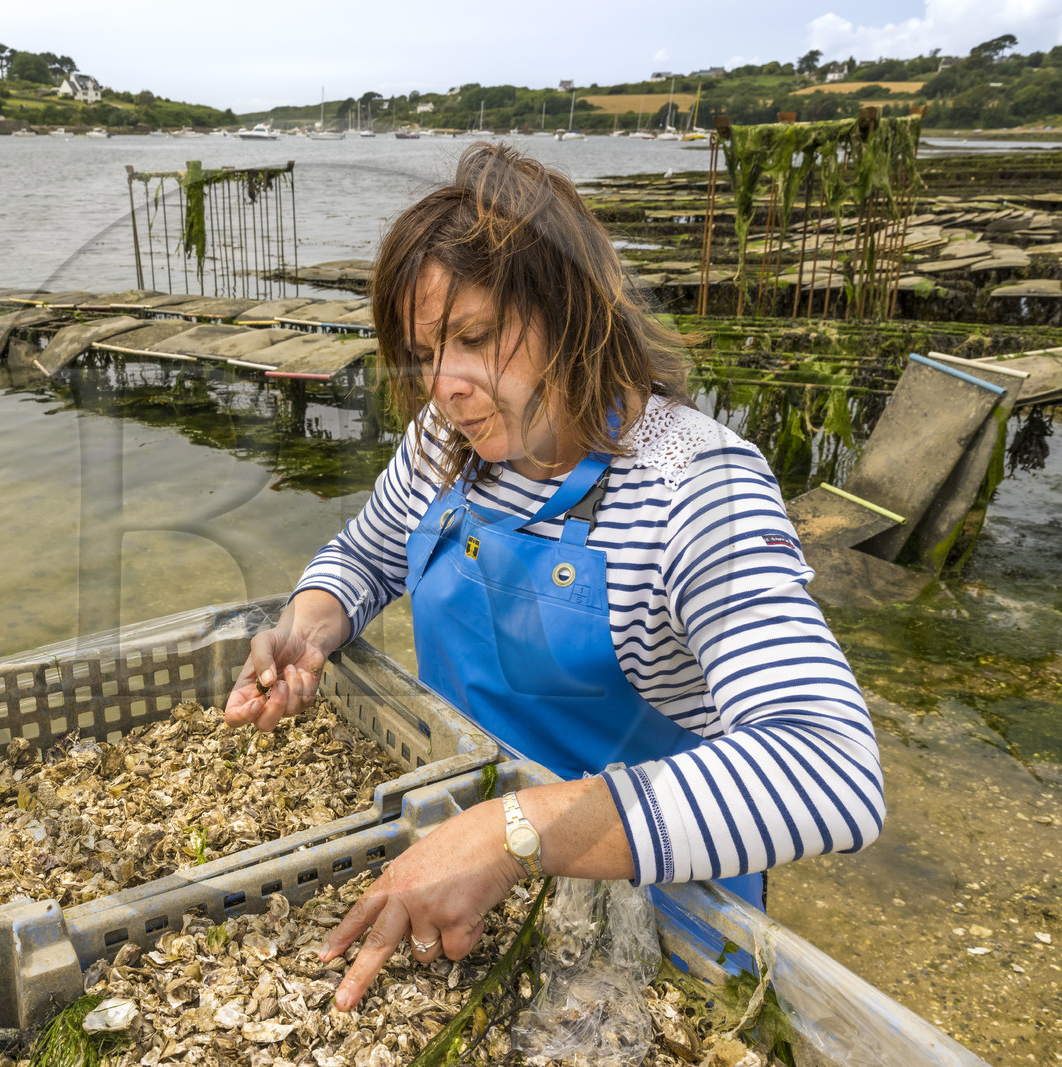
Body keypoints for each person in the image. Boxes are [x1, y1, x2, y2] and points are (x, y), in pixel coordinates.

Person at [222, 142, 885, 1014]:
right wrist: (307, 630)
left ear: (575, 310)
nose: (445, 386)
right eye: (425, 353)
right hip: (462, 843)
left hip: (656, 895)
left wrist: (514, 832)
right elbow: (367, 554)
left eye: (476, 337)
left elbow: (829, 769)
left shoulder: (697, 482)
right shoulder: (442, 446)